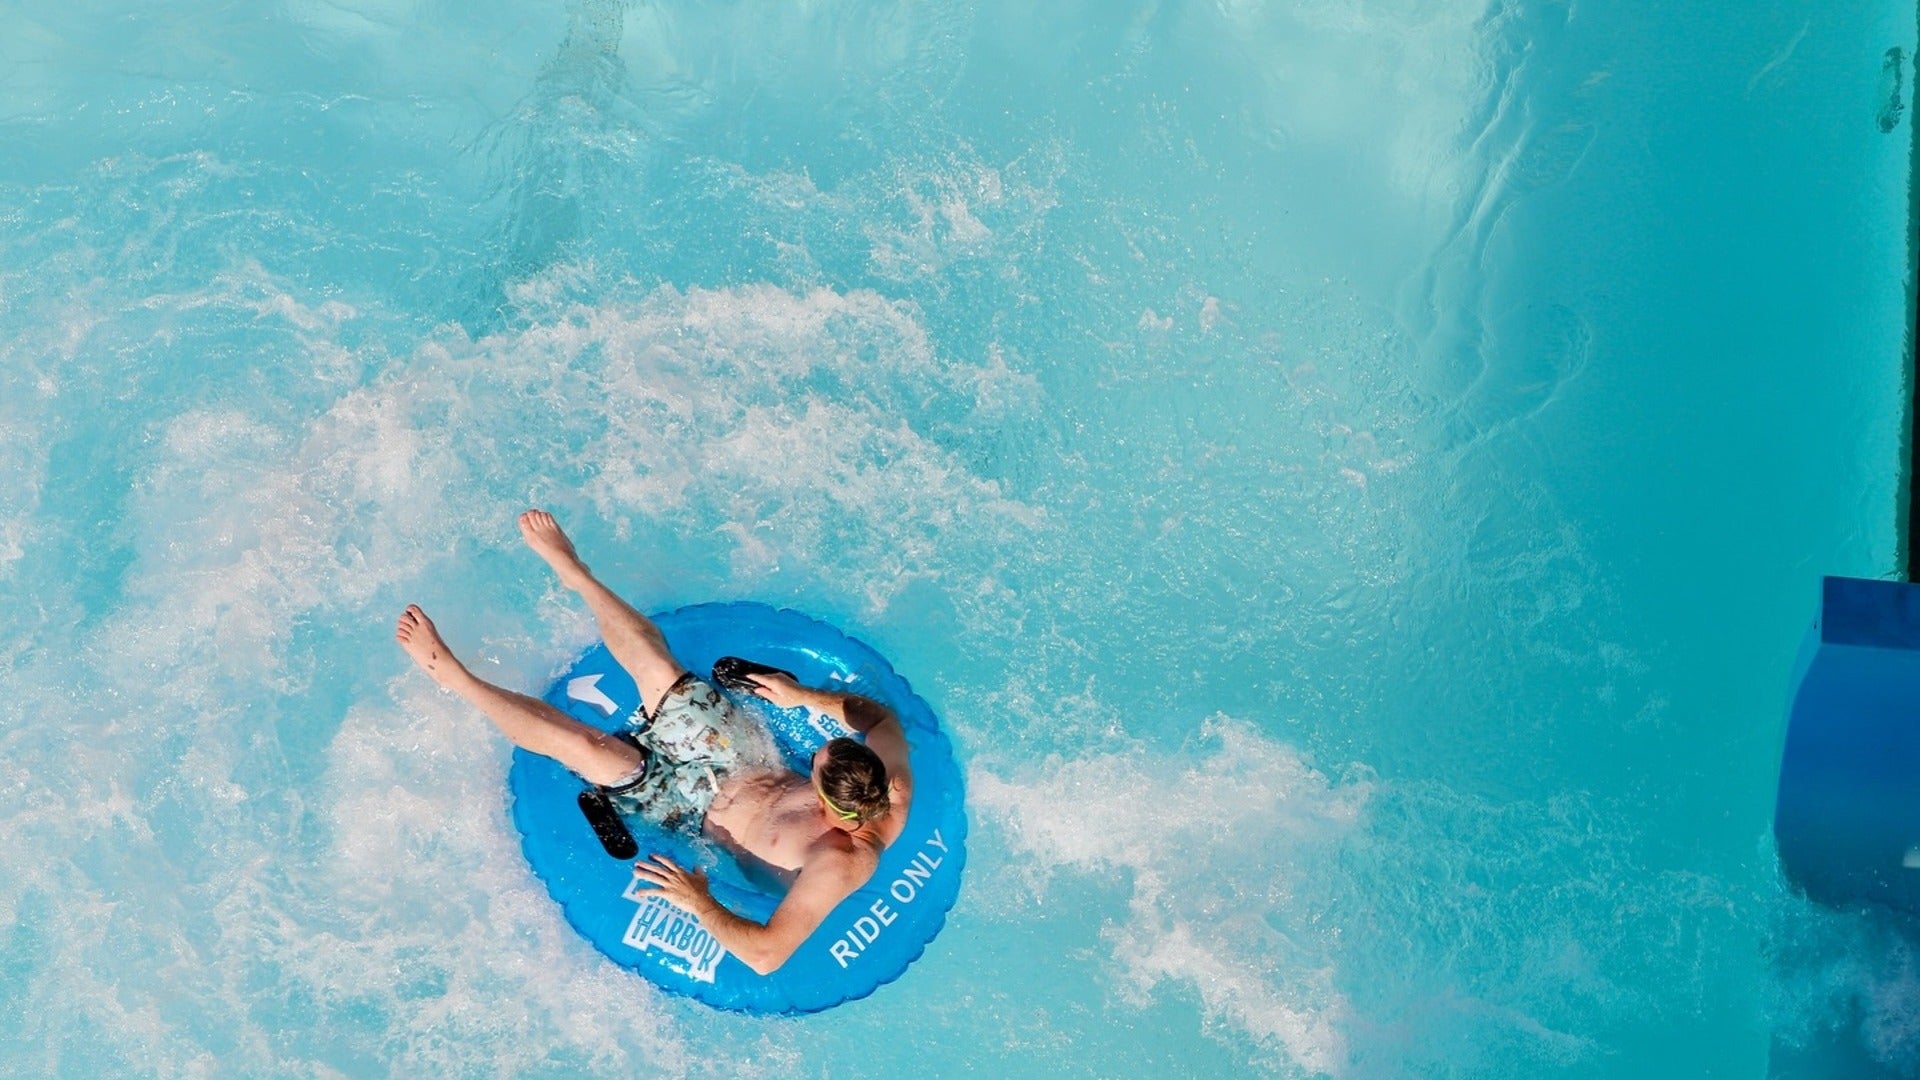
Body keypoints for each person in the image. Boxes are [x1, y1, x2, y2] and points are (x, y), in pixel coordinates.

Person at [394, 510, 914, 975]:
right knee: (658, 667)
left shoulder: (842, 861)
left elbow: (766, 957)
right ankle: (575, 571)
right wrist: (801, 695)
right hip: (739, 758)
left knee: (591, 750)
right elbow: (882, 720)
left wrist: (702, 903)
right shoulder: (892, 786)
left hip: (690, 813)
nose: (819, 753)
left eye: (818, 761)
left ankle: (454, 677)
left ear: (827, 806)